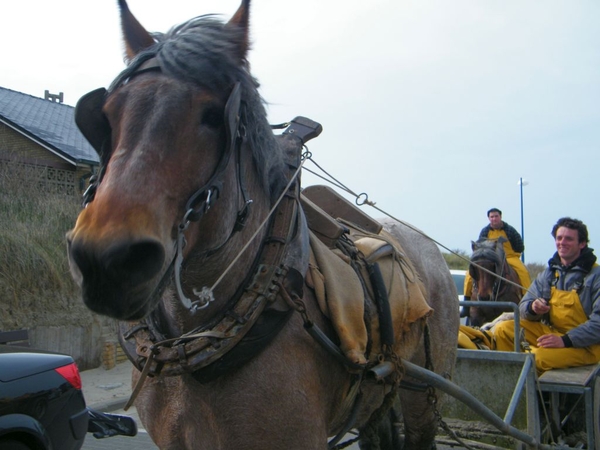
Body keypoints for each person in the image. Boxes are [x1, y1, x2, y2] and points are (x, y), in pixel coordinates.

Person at [494, 217, 600, 373]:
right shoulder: (548, 274)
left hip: (587, 345)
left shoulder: (596, 276)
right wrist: (532, 308)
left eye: (569, 239)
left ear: (582, 244)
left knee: (539, 357)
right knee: (502, 330)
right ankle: (507, 384)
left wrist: (565, 340)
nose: (562, 242)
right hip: (551, 334)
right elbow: (523, 306)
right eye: (559, 238)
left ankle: (529, 394)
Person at [463, 208, 531, 303]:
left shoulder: (510, 230)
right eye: (492, 217)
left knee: (523, 273)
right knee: (468, 275)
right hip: (489, 259)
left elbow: (520, 246)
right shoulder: (485, 231)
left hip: (510, 257)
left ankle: (527, 299)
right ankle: (467, 300)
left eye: (496, 216)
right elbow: (480, 247)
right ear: (489, 218)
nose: (494, 219)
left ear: (500, 217)